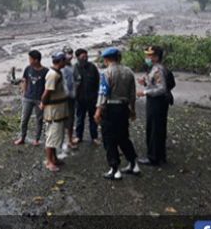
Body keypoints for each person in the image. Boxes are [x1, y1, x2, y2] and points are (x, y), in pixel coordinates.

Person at [94, 48, 140, 180]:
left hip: (110, 108)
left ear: (106, 59)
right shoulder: (129, 72)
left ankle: (115, 169)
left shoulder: (106, 73)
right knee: (123, 136)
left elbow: (103, 93)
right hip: (124, 108)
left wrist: (98, 111)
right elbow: (132, 94)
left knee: (109, 138)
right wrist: (132, 109)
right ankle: (133, 164)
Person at [137, 46, 171, 166]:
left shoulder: (158, 69)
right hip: (156, 101)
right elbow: (155, 83)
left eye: (150, 55)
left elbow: (162, 88)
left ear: (156, 57)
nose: (147, 58)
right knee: (157, 129)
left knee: (154, 130)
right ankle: (160, 156)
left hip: (157, 102)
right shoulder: (154, 68)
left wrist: (145, 92)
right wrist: (145, 82)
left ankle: (153, 158)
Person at [40, 52, 69, 172]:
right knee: (51, 137)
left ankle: (54, 158)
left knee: (56, 136)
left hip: (59, 110)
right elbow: (47, 93)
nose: (66, 62)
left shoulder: (57, 73)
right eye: (64, 60)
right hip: (54, 112)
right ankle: (49, 161)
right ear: (60, 61)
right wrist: (43, 104)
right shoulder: (53, 75)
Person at [14, 50, 49, 146]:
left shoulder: (46, 71)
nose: (29, 60)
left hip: (39, 99)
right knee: (24, 119)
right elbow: (25, 80)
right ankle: (22, 138)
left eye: (30, 59)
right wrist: (24, 93)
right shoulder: (28, 68)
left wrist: (44, 100)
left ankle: (37, 139)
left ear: (36, 60)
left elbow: (48, 87)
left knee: (39, 120)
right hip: (28, 98)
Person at [73, 49, 100, 145]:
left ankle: (94, 137)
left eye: (86, 56)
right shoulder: (74, 69)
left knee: (93, 119)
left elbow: (98, 82)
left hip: (92, 98)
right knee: (80, 118)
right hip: (80, 99)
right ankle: (78, 136)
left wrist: (98, 97)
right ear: (78, 57)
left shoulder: (92, 67)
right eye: (83, 56)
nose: (85, 58)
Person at [61, 46, 77, 150]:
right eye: (67, 54)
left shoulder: (72, 66)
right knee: (63, 119)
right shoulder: (61, 67)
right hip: (63, 98)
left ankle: (70, 139)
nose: (69, 56)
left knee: (71, 118)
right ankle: (65, 140)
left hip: (72, 96)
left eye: (71, 53)